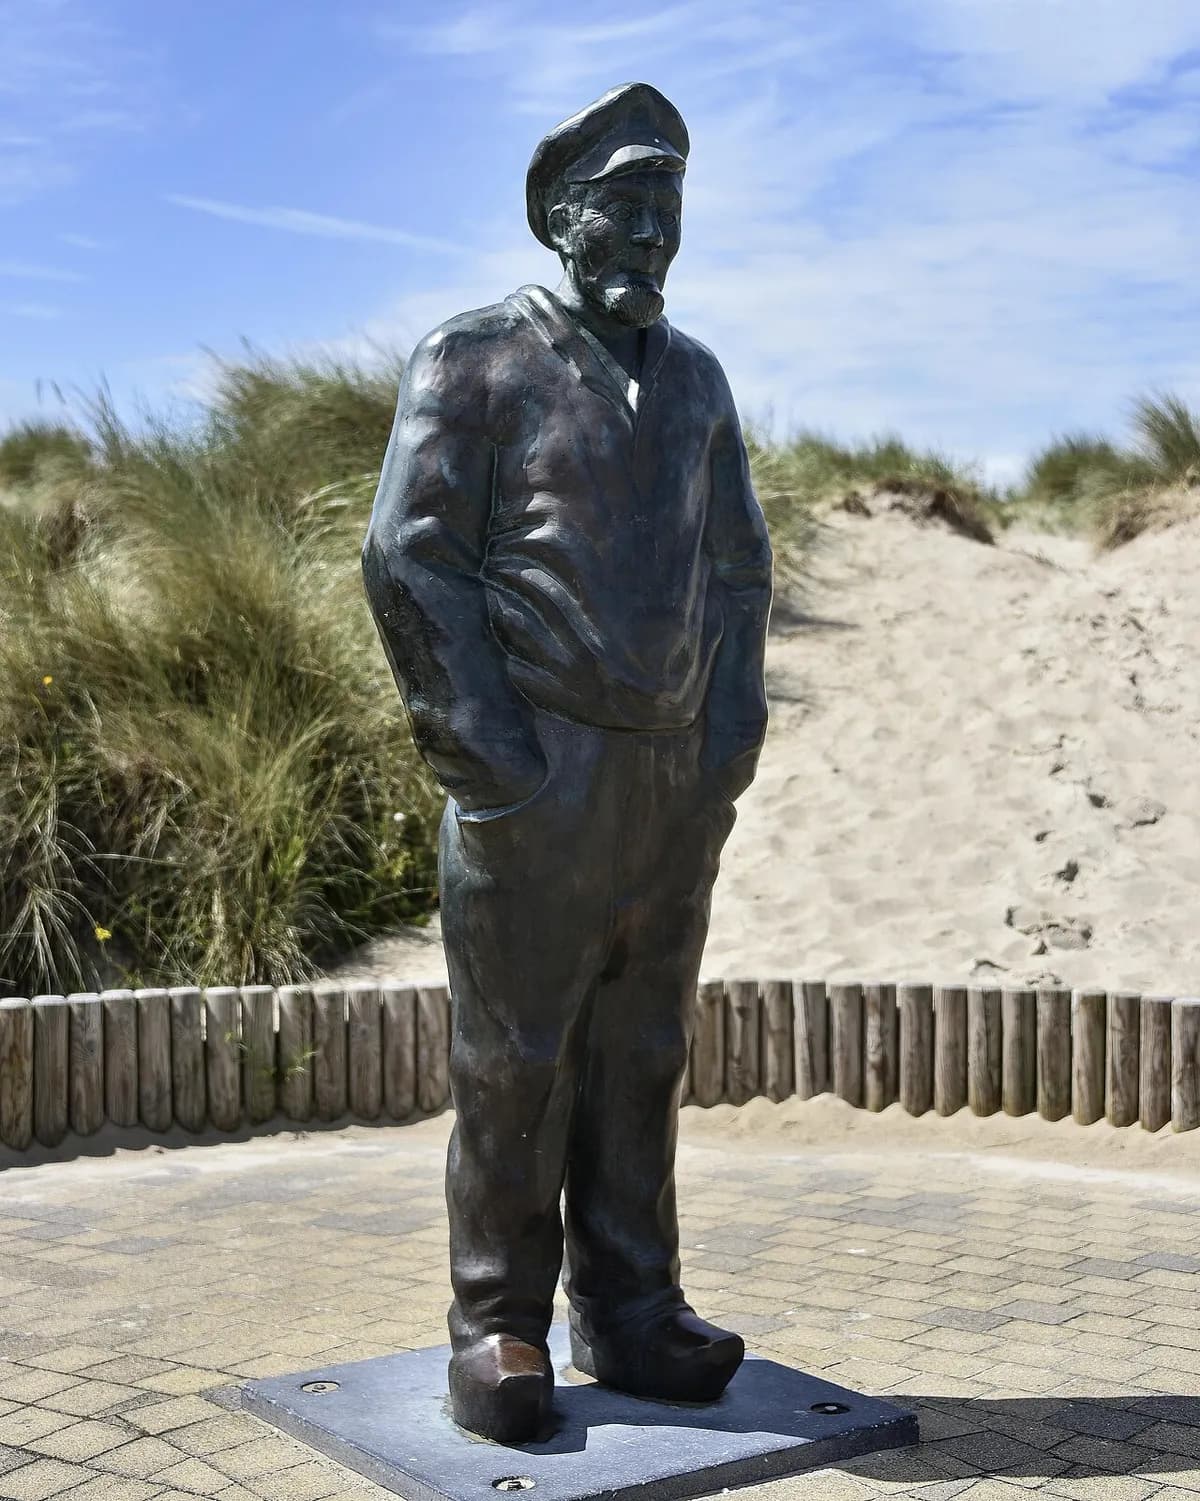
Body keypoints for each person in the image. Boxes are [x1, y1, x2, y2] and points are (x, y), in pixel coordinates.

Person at [362, 81, 773, 1443]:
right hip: (539, 772)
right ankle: (499, 1323)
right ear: (561, 218)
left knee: (642, 1048)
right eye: (626, 206)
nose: (653, 233)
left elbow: (739, 569)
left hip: (668, 782)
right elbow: (412, 559)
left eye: (670, 208)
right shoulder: (474, 358)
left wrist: (725, 743)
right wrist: (495, 764)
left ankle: (636, 1304)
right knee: (518, 1058)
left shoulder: (700, 380)